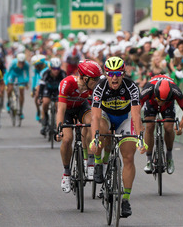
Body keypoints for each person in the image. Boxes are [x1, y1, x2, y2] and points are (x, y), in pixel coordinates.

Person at [89, 56, 146, 218]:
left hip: (125, 118)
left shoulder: (131, 86)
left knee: (128, 157)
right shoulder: (99, 87)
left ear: (123, 73)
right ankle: (99, 163)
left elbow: (136, 114)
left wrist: (140, 137)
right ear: (106, 74)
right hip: (106, 117)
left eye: (118, 73)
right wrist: (94, 138)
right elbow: (95, 117)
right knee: (101, 132)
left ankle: (126, 200)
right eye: (111, 73)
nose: (114, 77)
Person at [56, 60, 102, 192]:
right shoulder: (67, 83)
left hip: (82, 108)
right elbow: (61, 110)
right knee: (67, 139)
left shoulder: (93, 88)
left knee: (91, 123)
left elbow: (96, 112)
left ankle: (90, 161)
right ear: (85, 78)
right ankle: (66, 173)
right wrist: (59, 129)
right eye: (95, 79)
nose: (97, 82)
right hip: (67, 112)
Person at [140, 75, 183, 174]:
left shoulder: (176, 91)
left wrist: (180, 126)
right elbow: (136, 109)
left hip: (169, 105)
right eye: (159, 100)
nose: (161, 103)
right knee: (149, 127)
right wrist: (138, 124)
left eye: (164, 101)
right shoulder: (148, 89)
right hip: (151, 103)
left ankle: (169, 156)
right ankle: (149, 160)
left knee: (168, 128)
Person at [38, 58, 67, 135]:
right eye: (54, 68)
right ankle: (45, 119)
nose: (56, 71)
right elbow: (41, 86)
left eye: (58, 68)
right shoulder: (46, 73)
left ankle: (57, 123)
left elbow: (66, 86)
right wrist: (40, 96)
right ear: (50, 68)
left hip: (58, 90)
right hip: (48, 89)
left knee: (58, 105)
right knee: (45, 102)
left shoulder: (63, 74)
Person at [5, 53, 30, 119]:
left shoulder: (27, 65)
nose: (21, 64)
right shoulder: (13, 63)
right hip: (12, 75)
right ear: (18, 61)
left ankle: (21, 110)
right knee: (10, 89)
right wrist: (7, 82)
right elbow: (8, 72)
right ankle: (8, 102)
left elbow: (27, 75)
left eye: (23, 63)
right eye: (20, 62)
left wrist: (26, 82)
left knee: (21, 92)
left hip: (20, 76)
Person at [30, 55, 48, 122]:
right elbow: (34, 78)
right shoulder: (36, 68)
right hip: (40, 80)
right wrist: (33, 90)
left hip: (48, 80)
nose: (35, 67)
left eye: (36, 65)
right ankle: (38, 110)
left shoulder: (48, 65)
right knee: (37, 94)